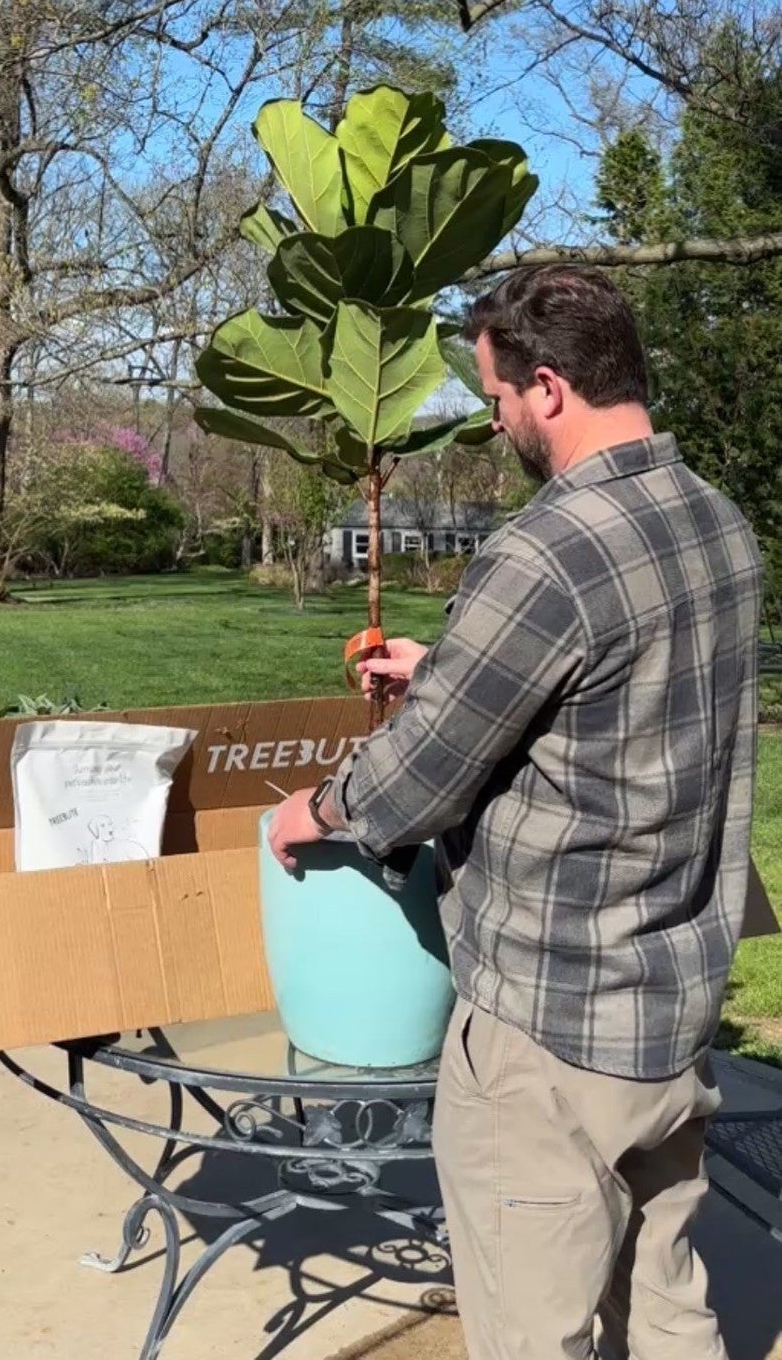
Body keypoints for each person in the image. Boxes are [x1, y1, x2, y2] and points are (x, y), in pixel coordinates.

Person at [266, 266, 762, 1360]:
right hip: (668, 1012)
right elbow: (620, 690)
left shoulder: (544, 550)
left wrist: (308, 810)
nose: (493, 423)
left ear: (546, 387)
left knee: (532, 1326)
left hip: (548, 1027)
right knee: (668, 1301)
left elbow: (410, 785)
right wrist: (449, 665)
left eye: (493, 400)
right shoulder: (714, 524)